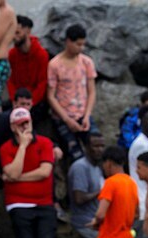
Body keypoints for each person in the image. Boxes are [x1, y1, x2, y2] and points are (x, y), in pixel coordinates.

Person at [0, 108, 56, 238]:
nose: (24, 127)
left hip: (44, 203)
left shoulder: (45, 143)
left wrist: (16, 178)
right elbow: (13, 171)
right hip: (18, 204)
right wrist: (23, 146)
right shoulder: (6, 148)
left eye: (26, 123)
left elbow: (44, 172)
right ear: (12, 127)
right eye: (20, 124)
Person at [47, 24, 98, 162]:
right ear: (68, 41)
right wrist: (66, 119)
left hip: (83, 114)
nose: (81, 48)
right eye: (78, 44)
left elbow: (91, 91)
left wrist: (87, 115)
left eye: (83, 45)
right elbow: (51, 96)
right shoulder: (54, 64)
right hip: (63, 116)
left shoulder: (86, 62)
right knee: (75, 154)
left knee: (96, 146)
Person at [67, 132, 105, 238]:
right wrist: (102, 191)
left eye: (102, 146)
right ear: (86, 147)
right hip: (85, 224)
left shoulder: (98, 167)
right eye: (96, 146)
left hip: (97, 223)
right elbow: (79, 198)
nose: (100, 150)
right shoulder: (80, 167)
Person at [7, 15, 49, 115]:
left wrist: (28, 103)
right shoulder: (12, 54)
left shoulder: (41, 54)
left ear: (28, 31)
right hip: (17, 100)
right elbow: (11, 80)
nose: (14, 37)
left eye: (17, 33)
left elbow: (42, 83)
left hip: (35, 102)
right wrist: (15, 101)